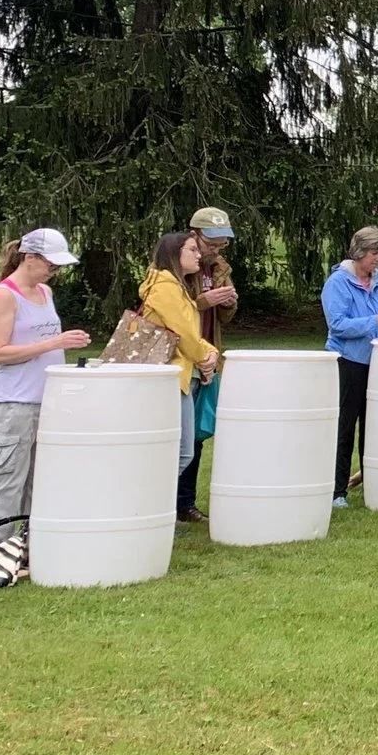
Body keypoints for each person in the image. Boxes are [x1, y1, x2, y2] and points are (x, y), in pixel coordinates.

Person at [0, 229, 93, 538]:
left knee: (41, 480)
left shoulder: (46, 293)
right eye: (50, 265)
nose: (53, 273)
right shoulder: (3, 295)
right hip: (13, 402)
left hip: (48, 401)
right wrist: (54, 343)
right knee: (8, 479)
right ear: (29, 258)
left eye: (57, 268)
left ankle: (30, 547)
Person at [321, 226, 378, 508]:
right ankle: (337, 490)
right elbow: (338, 325)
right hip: (347, 361)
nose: (377, 259)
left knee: (374, 426)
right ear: (358, 253)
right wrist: (377, 321)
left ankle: (373, 481)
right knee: (345, 426)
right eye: (372, 253)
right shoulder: (338, 283)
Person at [136, 231, 222, 496]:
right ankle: (150, 506)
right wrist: (204, 357)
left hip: (180, 375)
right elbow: (184, 335)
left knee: (181, 451)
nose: (199, 255)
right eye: (192, 250)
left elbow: (189, 333)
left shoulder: (177, 286)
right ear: (175, 254)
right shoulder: (165, 287)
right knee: (179, 452)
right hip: (170, 376)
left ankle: (157, 509)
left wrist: (210, 353)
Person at [174, 205, 241, 524]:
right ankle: (165, 504)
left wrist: (228, 303)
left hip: (208, 355)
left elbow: (224, 317)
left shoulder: (219, 268)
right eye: (210, 243)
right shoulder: (176, 268)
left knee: (196, 435)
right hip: (181, 358)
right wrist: (204, 301)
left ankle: (185, 504)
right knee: (176, 435)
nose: (214, 250)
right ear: (193, 235)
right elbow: (176, 312)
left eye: (220, 244)